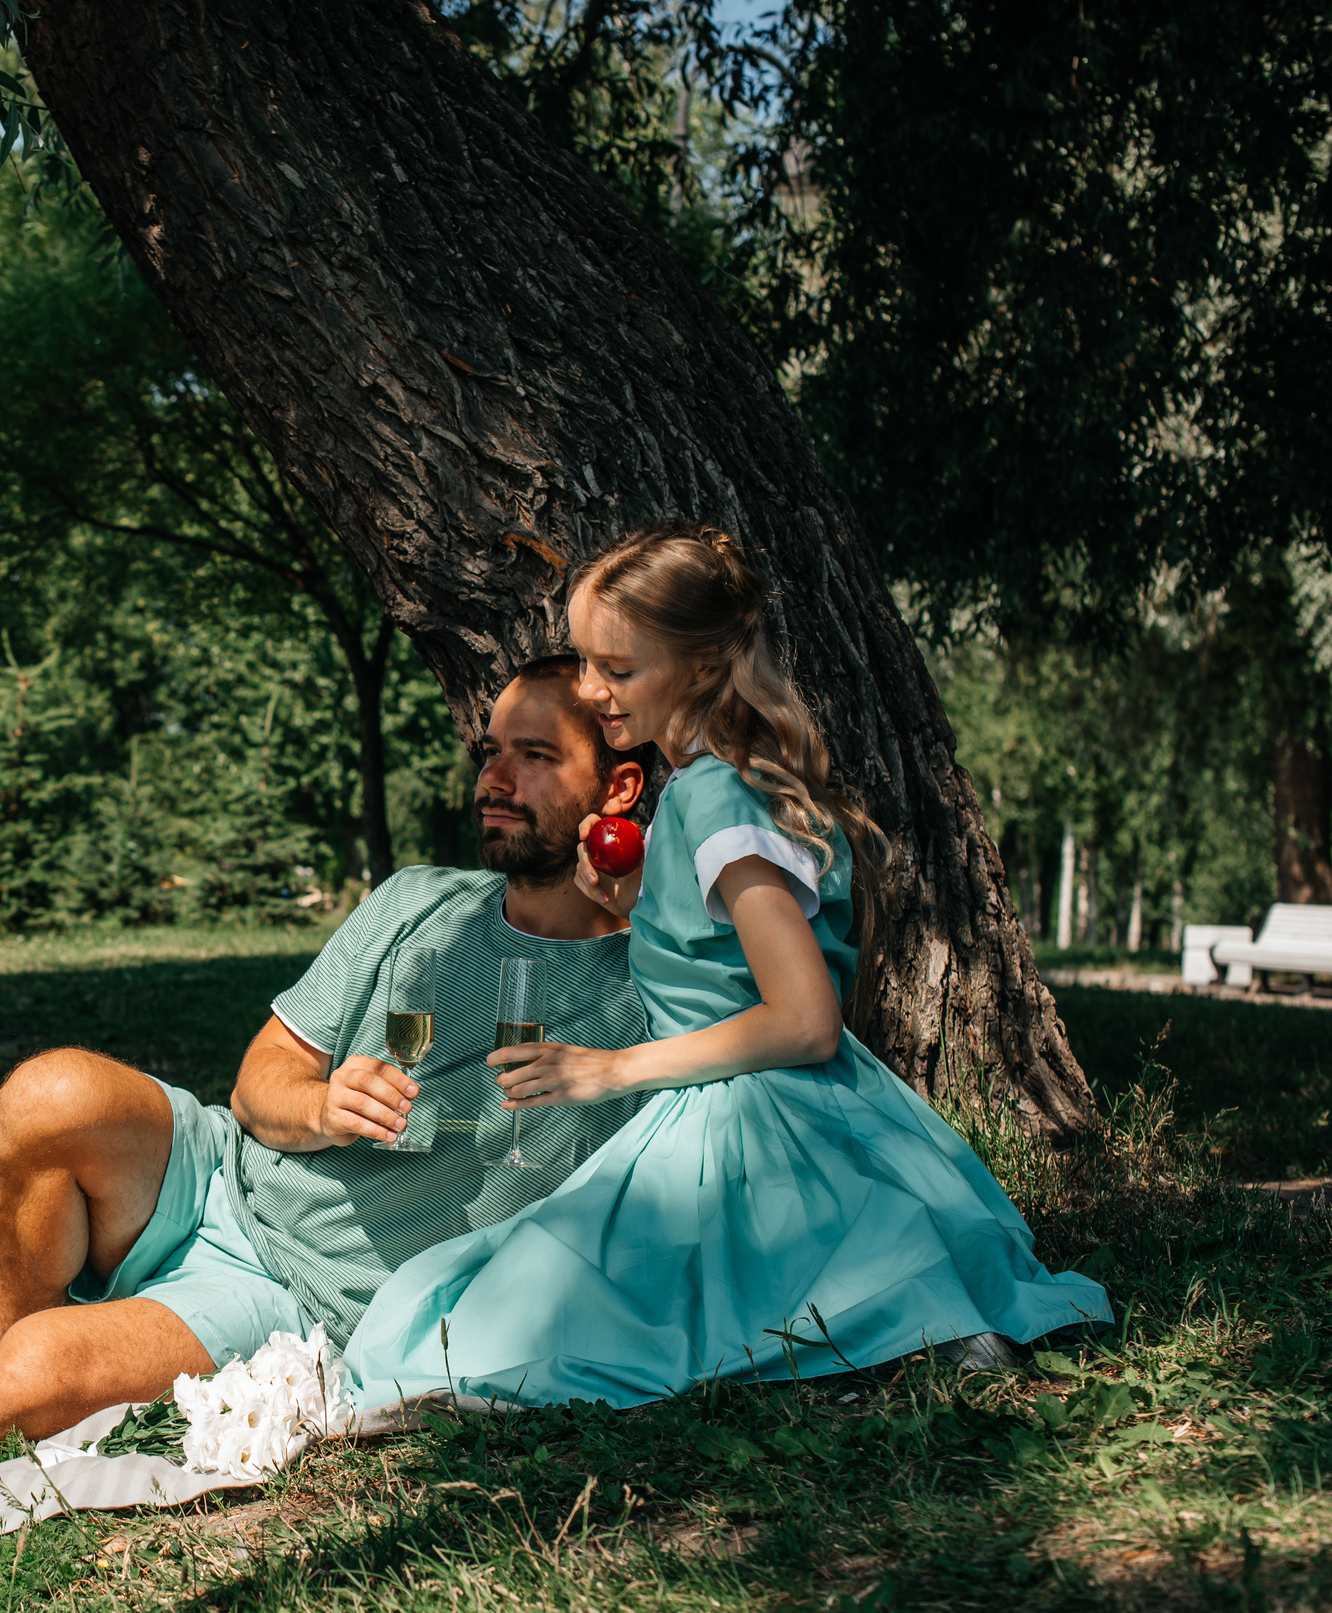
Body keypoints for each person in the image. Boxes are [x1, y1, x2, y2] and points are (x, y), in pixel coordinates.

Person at [0, 656, 658, 1591]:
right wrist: (320, 1103)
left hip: (293, 1297)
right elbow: (262, 1077)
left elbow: (783, 1026)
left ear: (617, 784)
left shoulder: (655, 992)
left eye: (530, 756)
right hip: (219, 1172)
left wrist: (651, 893)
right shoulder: (417, 901)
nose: (492, 779)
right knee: (44, 1094)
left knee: (33, 1375)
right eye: (489, 751)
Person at [340, 526, 1111, 1408]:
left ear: (702, 668)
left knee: (465, 1328)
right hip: (776, 1113)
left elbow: (805, 1018)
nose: (591, 689)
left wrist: (610, 1068)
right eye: (588, 663)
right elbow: (727, 956)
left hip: (750, 1121)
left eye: (617, 671)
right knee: (489, 1309)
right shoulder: (714, 785)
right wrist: (638, 902)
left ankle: (902, 1335)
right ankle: (898, 1329)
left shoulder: (714, 794)